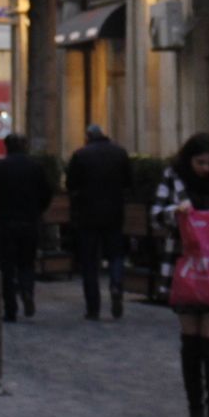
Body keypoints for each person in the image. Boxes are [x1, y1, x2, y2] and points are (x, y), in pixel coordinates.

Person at [151, 133, 209, 417]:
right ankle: (195, 410)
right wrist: (175, 213)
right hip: (185, 265)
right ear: (189, 159)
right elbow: (156, 215)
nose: (205, 168)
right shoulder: (173, 176)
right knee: (190, 338)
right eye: (200, 162)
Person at [65, 124, 131, 320]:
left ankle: (93, 307)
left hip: (87, 215)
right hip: (114, 213)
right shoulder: (120, 153)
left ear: (88, 136)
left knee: (89, 262)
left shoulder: (81, 155)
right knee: (115, 254)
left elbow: (71, 185)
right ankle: (116, 283)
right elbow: (129, 183)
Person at [0, 134, 51, 322]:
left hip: (6, 223)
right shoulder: (35, 167)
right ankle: (27, 291)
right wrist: (37, 210)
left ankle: (11, 309)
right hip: (29, 221)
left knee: (7, 267)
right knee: (27, 262)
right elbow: (46, 193)